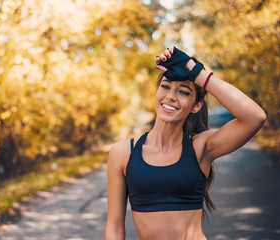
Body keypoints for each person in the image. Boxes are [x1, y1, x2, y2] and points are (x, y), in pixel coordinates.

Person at [105, 46, 266, 240]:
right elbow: (114, 227)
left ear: (196, 105)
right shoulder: (123, 153)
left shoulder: (201, 147)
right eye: (165, 86)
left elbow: (255, 117)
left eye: (183, 91)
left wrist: (196, 72)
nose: (171, 96)